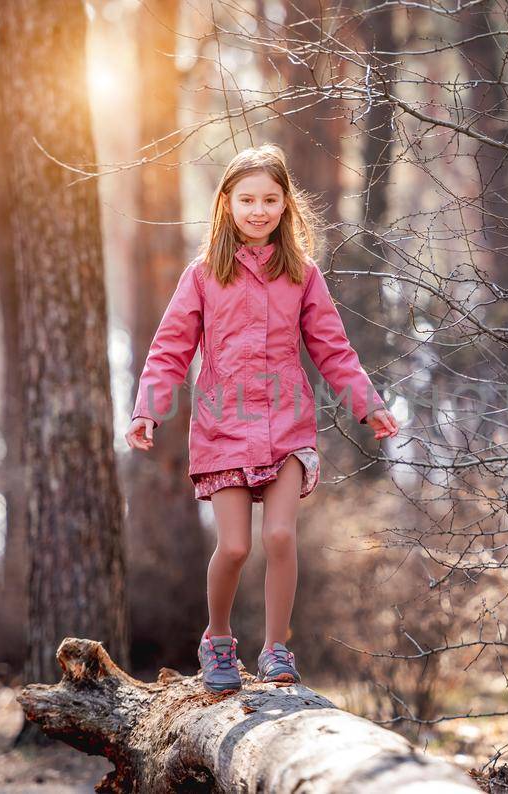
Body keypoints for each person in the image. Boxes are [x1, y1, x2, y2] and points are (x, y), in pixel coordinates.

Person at [124, 144, 401, 693]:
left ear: (285, 205)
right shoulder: (203, 275)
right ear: (226, 203)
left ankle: (277, 650)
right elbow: (169, 349)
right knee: (234, 546)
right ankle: (218, 641)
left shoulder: (302, 274)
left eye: (270, 200)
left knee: (279, 536)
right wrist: (148, 410)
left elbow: (333, 349)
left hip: (287, 424)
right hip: (223, 427)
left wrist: (367, 402)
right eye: (247, 199)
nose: (258, 210)